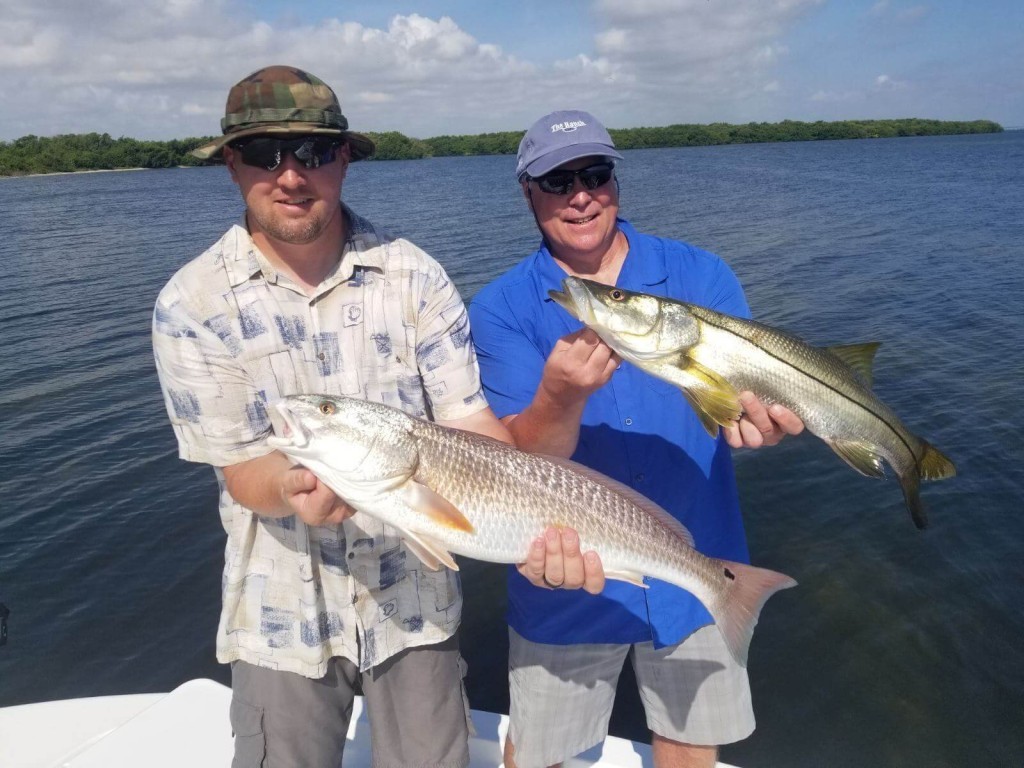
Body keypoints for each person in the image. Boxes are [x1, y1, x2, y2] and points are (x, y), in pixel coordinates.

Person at [151, 65, 514, 768]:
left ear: (345, 158)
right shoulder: (191, 304)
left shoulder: (415, 276)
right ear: (231, 165)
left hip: (415, 600)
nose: (290, 176)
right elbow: (243, 470)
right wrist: (291, 488)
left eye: (313, 152)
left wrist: (550, 521)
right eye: (263, 153)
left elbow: (470, 427)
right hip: (280, 615)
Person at [469, 110, 805, 768]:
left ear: (615, 182)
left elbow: (738, 398)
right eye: (558, 181)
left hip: (699, 564)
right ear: (528, 192)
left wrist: (759, 419)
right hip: (564, 573)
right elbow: (514, 466)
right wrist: (559, 396)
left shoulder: (701, 274)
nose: (581, 195)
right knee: (538, 754)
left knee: (689, 745)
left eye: (595, 174)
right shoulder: (500, 309)